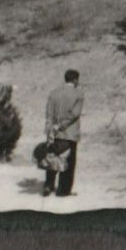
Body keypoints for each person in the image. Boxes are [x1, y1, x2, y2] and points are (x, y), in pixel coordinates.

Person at [43, 68, 84, 198]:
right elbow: (74, 114)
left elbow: (49, 114)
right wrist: (60, 126)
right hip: (69, 134)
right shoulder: (79, 94)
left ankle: (48, 185)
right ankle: (63, 190)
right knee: (68, 162)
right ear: (75, 80)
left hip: (53, 134)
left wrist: (50, 129)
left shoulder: (54, 93)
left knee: (52, 158)